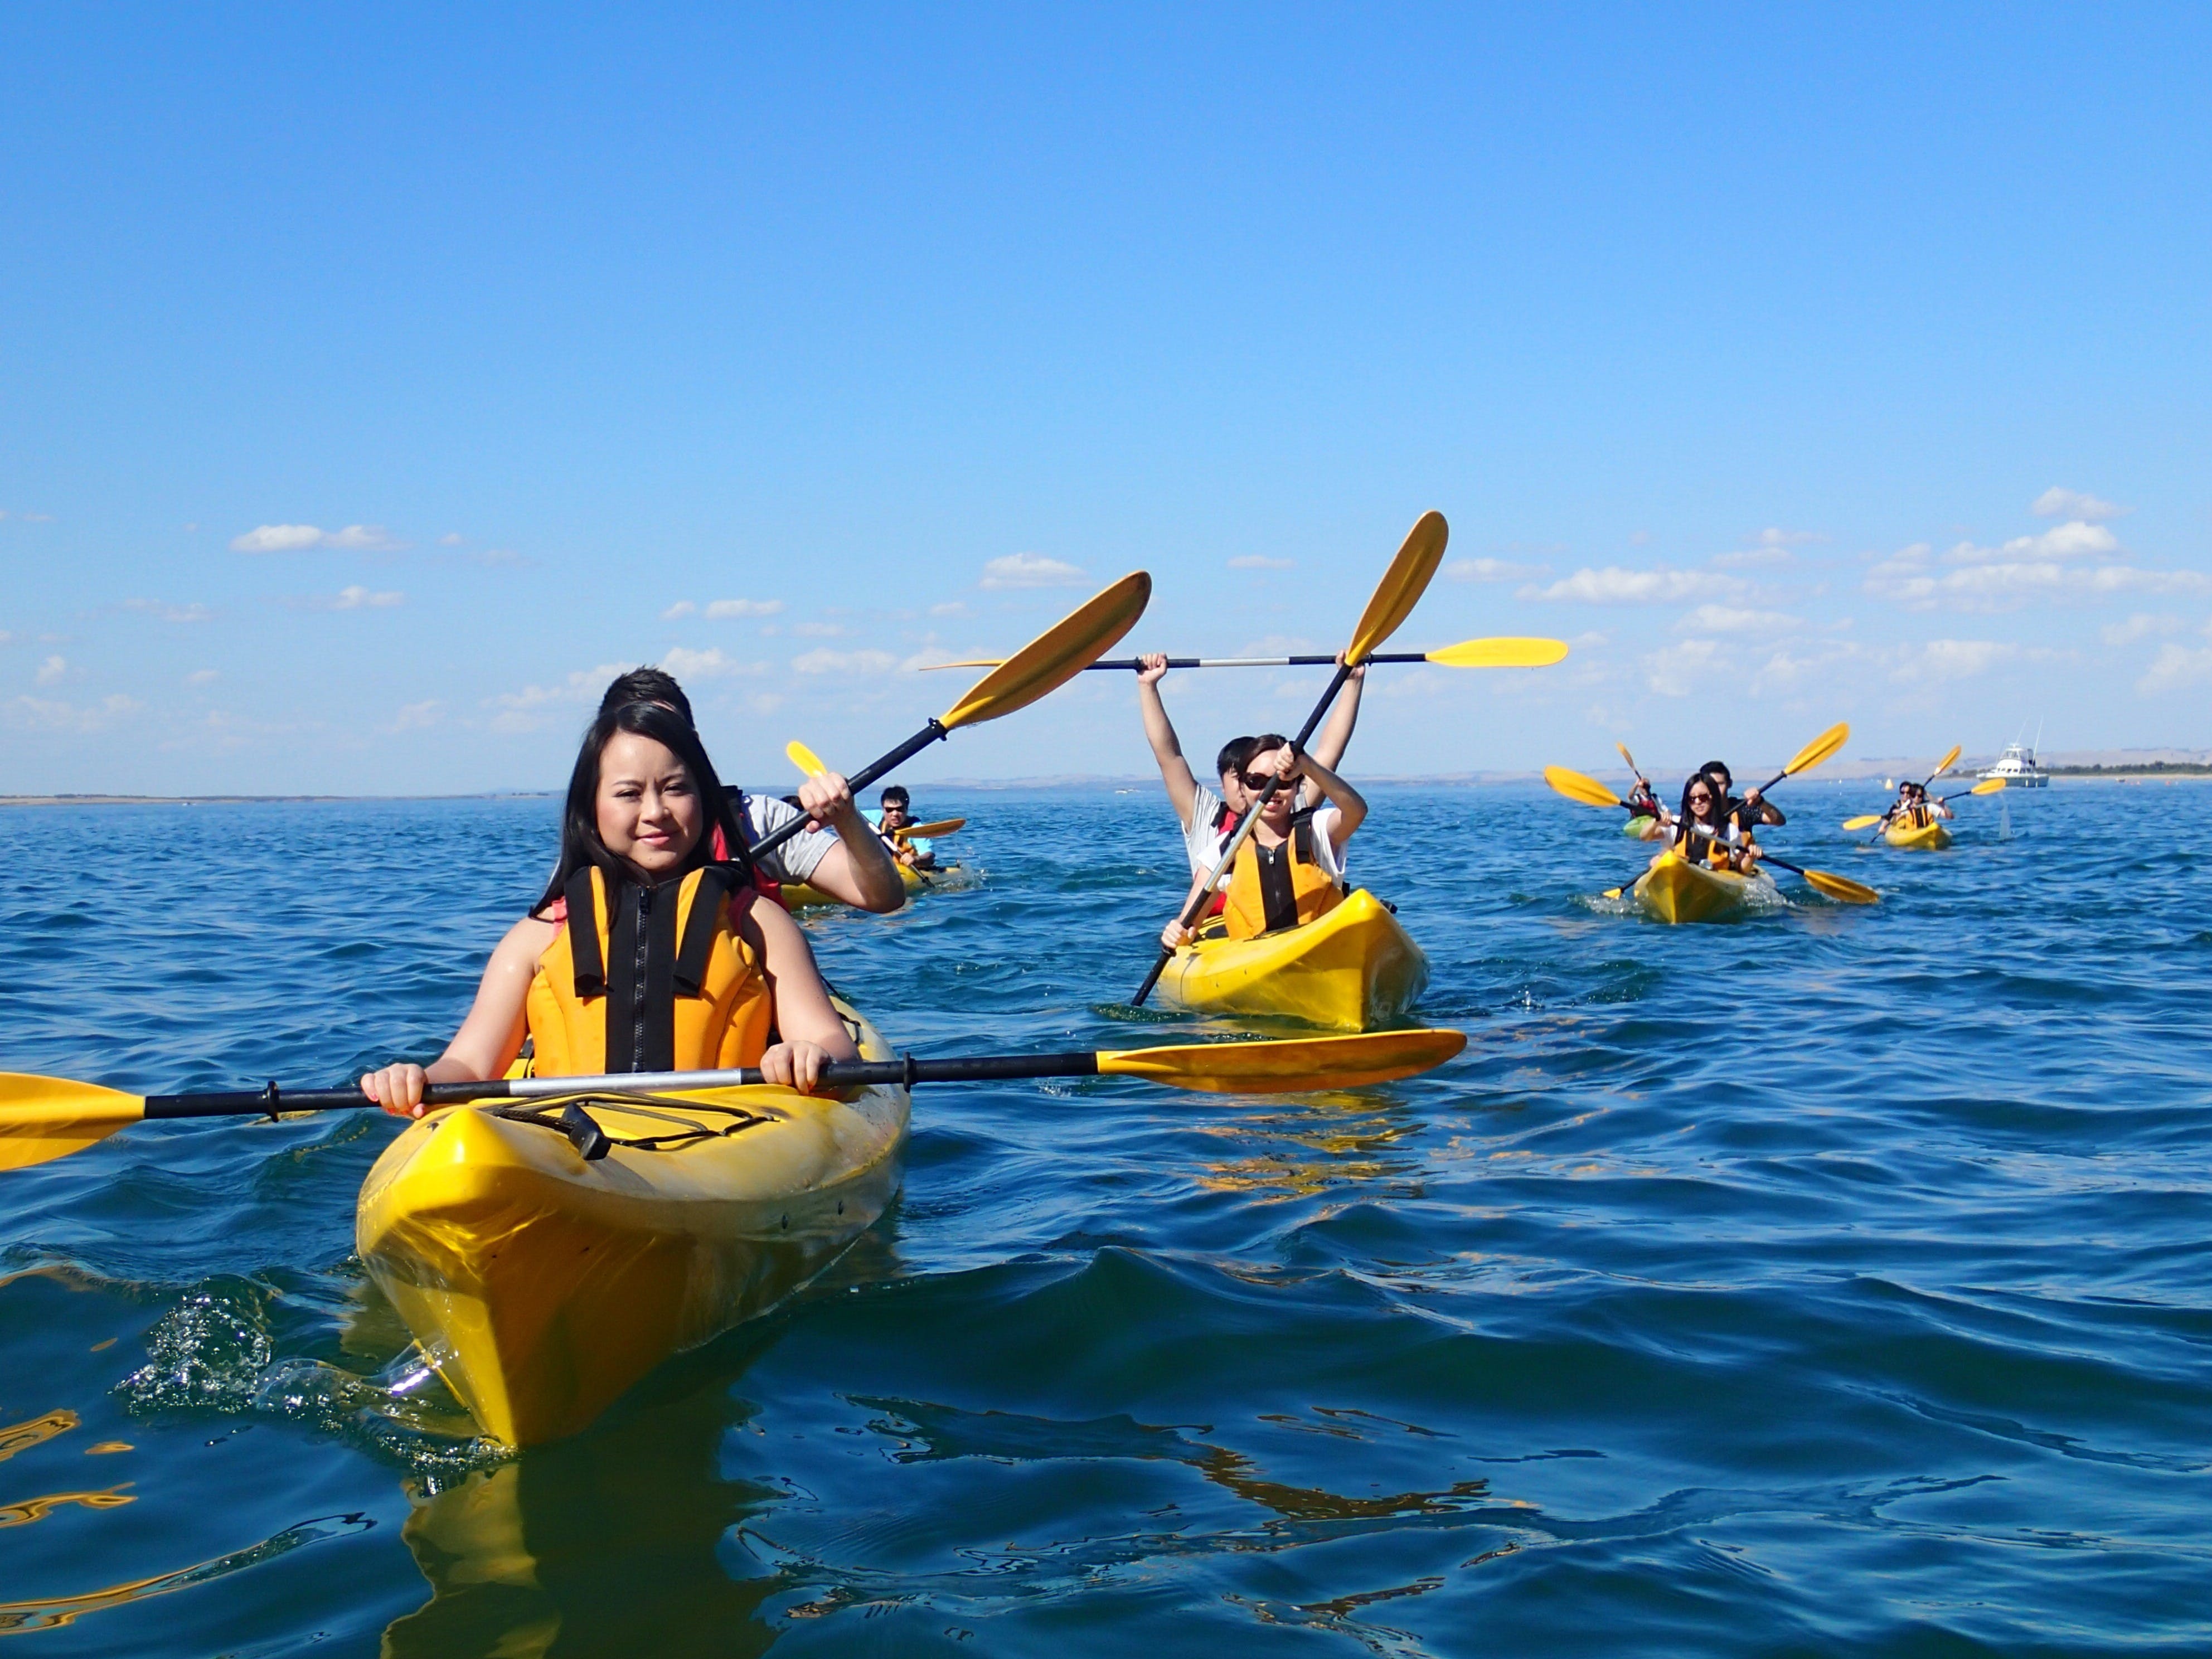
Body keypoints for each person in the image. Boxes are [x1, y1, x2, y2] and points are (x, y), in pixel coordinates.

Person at [360, 698, 860, 1117]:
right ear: (591, 808)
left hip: (724, 1136)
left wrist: (806, 1054)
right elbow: (470, 1067)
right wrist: (417, 1078)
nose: (655, 812)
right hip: (573, 1143)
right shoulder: (538, 937)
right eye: (628, 794)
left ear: (705, 800)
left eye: (676, 788)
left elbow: (835, 1047)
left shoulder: (757, 922)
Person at [594, 668, 905, 913]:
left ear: (695, 742)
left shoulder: (757, 820)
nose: (654, 812)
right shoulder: (593, 840)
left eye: (670, 736)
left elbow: (883, 898)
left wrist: (846, 819)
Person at [1134, 652, 1366, 894]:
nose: (1264, 789)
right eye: (1248, 780)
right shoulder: (1204, 815)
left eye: (1268, 779)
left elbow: (1329, 752)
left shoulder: (1289, 802)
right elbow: (1169, 757)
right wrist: (1147, 685)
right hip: (1225, 927)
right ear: (1223, 785)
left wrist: (1351, 681)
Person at [1160, 737, 1367, 945]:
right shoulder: (1224, 850)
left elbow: (1356, 811)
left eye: (1283, 781)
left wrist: (1309, 766)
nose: (1272, 791)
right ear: (1242, 787)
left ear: (1297, 786)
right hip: (1255, 962)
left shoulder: (1318, 830)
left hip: (1321, 950)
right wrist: (1176, 932)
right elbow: (1188, 922)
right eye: (1256, 782)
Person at [1641, 773, 1758, 872]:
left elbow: (1741, 869)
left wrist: (1750, 857)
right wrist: (1656, 822)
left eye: (1703, 797)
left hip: (1714, 880)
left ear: (1713, 797)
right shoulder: (1677, 824)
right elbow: (1645, 837)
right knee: (1656, 861)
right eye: (1692, 799)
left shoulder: (1730, 830)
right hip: (1683, 876)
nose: (1697, 802)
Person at [1701, 760, 1784, 836]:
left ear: (1730, 784)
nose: (1716, 789)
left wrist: (1760, 802)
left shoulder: (1742, 808)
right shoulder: (1696, 812)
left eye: (1720, 784)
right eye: (1711, 785)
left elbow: (1779, 821)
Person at [864, 785, 936, 871]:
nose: (895, 814)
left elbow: (929, 856)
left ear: (907, 808)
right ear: (883, 809)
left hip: (912, 872)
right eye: (889, 810)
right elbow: (848, 814)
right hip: (883, 871)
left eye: (900, 809)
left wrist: (916, 859)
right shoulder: (874, 817)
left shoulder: (915, 828)